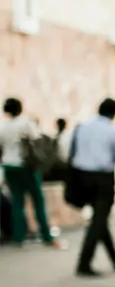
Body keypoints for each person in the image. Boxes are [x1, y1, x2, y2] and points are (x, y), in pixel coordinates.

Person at [70, 98, 115, 276]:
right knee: (99, 219)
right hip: (102, 178)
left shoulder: (82, 128)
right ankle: (84, 263)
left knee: (99, 218)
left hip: (82, 176)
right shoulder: (113, 133)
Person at [0, 97, 64, 249]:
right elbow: (38, 140)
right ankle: (46, 236)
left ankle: (18, 237)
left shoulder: (3, 127)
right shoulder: (25, 123)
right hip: (26, 166)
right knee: (38, 201)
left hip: (9, 166)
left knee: (17, 202)